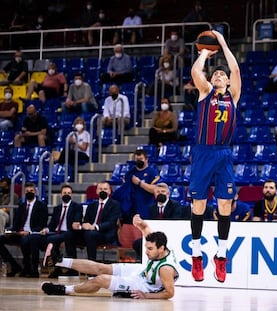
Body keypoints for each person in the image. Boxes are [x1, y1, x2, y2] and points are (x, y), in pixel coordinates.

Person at [189, 30, 241, 283]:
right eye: (216, 74)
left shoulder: (234, 95)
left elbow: (236, 69)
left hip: (223, 153)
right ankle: (196, 256)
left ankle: (221, 257)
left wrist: (221, 42)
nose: (219, 75)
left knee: (223, 206)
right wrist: (204, 54)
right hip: (203, 152)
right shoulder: (205, 93)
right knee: (198, 205)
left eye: (223, 74)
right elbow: (195, 73)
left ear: (228, 81)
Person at [41, 214, 179, 299]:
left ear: (161, 249)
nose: (147, 252)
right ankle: (58, 260)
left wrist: (146, 296)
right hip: (142, 272)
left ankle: (64, 290)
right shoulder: (161, 245)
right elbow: (147, 231)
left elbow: (170, 293)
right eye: (146, 248)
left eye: (150, 249)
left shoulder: (165, 269)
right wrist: (141, 224)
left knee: (101, 279)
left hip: (143, 285)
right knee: (102, 268)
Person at [27, 184, 83, 278]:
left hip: (68, 232)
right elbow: (52, 224)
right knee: (34, 237)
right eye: (64, 193)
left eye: (69, 193)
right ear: (61, 195)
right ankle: (34, 269)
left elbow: (77, 220)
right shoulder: (57, 208)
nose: (66, 195)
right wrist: (46, 229)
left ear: (72, 195)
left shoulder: (77, 207)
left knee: (52, 239)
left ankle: (58, 267)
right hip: (55, 232)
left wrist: (76, 224)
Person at [0, 182, 48, 277]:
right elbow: (16, 224)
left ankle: (29, 268)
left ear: (35, 192)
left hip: (33, 233)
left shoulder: (41, 206)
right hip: (20, 233)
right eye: (27, 191)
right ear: (24, 193)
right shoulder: (21, 206)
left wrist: (28, 232)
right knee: (0, 239)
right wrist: (11, 232)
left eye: (31, 191)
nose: (29, 192)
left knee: (25, 240)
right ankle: (14, 266)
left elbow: (42, 224)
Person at [65, 181, 121, 261]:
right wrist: (82, 225)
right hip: (89, 233)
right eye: (100, 189)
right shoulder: (91, 205)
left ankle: (92, 266)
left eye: (105, 189)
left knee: (90, 234)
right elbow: (86, 221)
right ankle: (72, 266)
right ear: (97, 191)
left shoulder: (115, 205)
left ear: (109, 191)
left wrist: (94, 227)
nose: (102, 191)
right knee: (69, 234)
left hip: (105, 234)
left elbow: (111, 223)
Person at [132, 182, 183, 260]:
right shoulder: (151, 207)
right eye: (158, 192)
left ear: (168, 193)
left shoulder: (176, 206)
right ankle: (143, 263)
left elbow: (176, 222)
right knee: (137, 243)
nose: (160, 194)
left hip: (170, 234)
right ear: (154, 194)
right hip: (154, 235)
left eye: (163, 192)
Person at [112, 149, 159, 222]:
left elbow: (155, 190)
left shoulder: (152, 172)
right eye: (137, 159)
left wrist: (140, 183)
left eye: (141, 159)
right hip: (132, 206)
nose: (139, 161)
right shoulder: (130, 172)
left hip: (146, 205)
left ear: (146, 159)